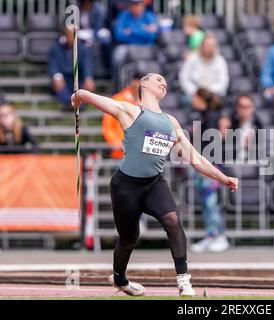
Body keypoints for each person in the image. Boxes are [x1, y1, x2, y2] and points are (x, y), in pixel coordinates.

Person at [71, 73, 239, 297]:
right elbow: (97, 99)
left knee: (172, 219)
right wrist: (80, 95)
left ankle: (184, 280)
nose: (163, 82)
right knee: (129, 238)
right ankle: (120, 278)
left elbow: (195, 158)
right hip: (125, 186)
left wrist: (222, 178)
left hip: (154, 183)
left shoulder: (171, 122)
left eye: (165, 82)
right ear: (143, 84)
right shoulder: (131, 111)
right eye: (157, 79)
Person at [188, 89, 230, 253]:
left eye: (194, 97)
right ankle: (211, 235)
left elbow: (212, 144)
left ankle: (219, 236)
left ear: (200, 98)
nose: (192, 99)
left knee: (210, 203)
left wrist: (208, 167)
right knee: (206, 203)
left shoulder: (211, 116)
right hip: (203, 164)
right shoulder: (203, 115)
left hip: (210, 165)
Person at [112, 0, 158, 89]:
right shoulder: (124, 15)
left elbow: (153, 35)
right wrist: (144, 31)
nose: (135, 6)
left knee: (160, 57)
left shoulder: (149, 16)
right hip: (128, 46)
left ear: (143, 5)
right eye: (133, 4)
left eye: (138, 4)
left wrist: (131, 31)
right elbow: (119, 35)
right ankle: (118, 87)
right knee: (118, 55)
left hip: (146, 47)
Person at [48, 26, 95, 111]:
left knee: (88, 83)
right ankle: (69, 103)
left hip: (78, 78)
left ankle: (80, 103)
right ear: (65, 35)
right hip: (64, 78)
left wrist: (88, 77)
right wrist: (57, 76)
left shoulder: (83, 49)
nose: (71, 37)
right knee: (58, 82)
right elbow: (53, 65)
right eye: (69, 34)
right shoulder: (56, 48)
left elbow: (87, 64)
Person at [102, 70, 144, 159]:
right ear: (132, 81)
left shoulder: (146, 103)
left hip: (141, 155)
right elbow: (107, 126)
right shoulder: (118, 99)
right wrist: (115, 142)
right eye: (137, 80)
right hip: (120, 154)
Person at [179, 33, 229, 101]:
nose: (209, 48)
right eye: (207, 45)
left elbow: (223, 81)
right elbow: (184, 77)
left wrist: (209, 92)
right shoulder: (192, 58)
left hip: (213, 93)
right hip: (194, 93)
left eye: (212, 46)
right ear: (202, 45)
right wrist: (195, 92)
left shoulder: (220, 61)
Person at [220, 93, 264, 162]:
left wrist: (253, 148)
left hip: (251, 165)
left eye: (247, 107)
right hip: (231, 164)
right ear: (237, 108)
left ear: (253, 108)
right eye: (241, 106)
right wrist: (222, 137)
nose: (244, 110)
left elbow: (263, 152)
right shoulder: (230, 124)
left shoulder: (258, 126)